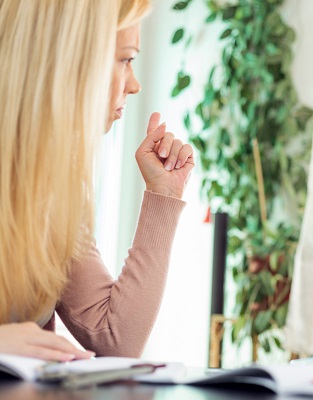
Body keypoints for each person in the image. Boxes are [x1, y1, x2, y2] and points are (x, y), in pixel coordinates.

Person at [0, 0, 194, 361]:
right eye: (125, 59)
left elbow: (114, 339)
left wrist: (162, 197)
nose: (134, 84)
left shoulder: (52, 192)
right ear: (67, 62)